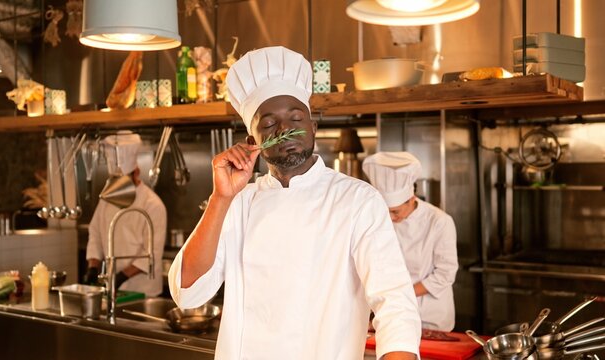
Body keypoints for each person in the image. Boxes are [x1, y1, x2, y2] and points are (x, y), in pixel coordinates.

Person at [168, 46, 421, 360]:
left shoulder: (357, 200)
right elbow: (188, 292)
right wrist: (221, 197)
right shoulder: (239, 203)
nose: (284, 129)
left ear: (313, 128)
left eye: (296, 117)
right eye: (269, 123)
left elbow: (395, 303)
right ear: (253, 143)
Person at [362, 152, 458, 332]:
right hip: (393, 313)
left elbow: (445, 274)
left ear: (411, 199)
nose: (390, 218)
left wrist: (401, 292)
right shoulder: (381, 221)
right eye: (386, 211)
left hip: (430, 316)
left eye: (395, 212)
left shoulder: (439, 221)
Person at [85, 131, 167, 297]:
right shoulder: (108, 197)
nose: (117, 185)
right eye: (114, 179)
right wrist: (93, 266)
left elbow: (151, 252)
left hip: (143, 292)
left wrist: (121, 276)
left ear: (136, 173)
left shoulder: (153, 205)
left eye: (121, 180)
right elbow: (95, 233)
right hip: (113, 289)